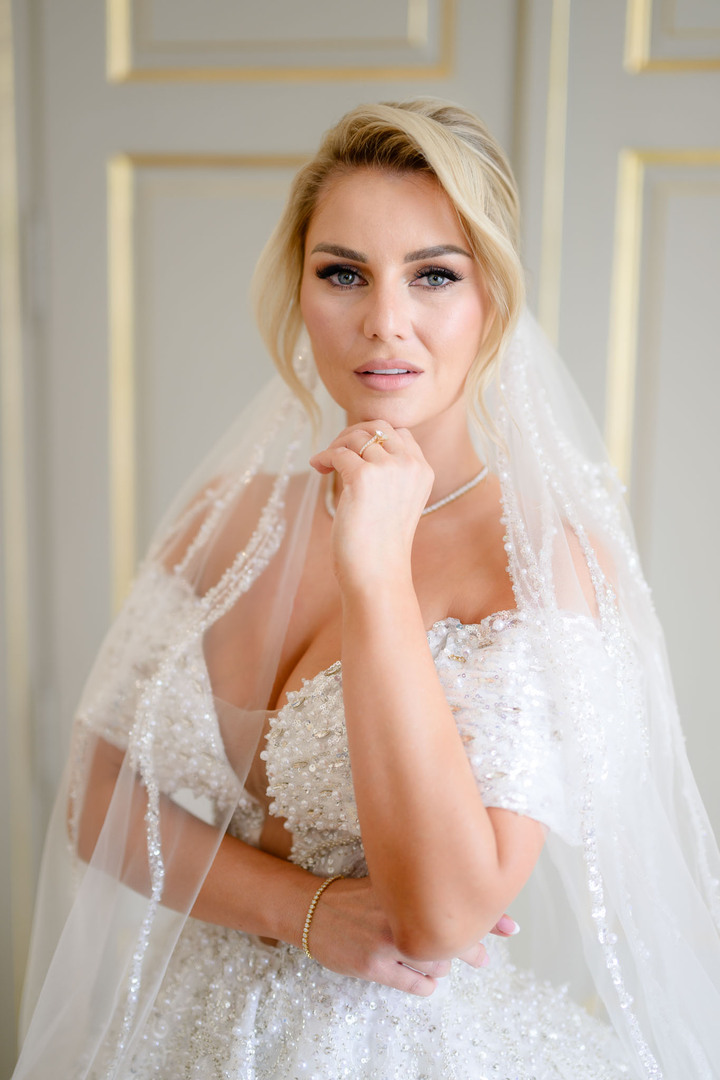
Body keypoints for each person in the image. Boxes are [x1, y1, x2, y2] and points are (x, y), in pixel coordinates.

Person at [13, 99, 720, 1079]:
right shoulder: (224, 518)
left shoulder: (546, 562)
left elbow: (440, 919)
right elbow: (95, 802)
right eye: (343, 273)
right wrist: (304, 914)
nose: (385, 322)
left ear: (492, 302)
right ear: (299, 291)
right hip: (185, 1036)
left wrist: (378, 570)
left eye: (434, 275)